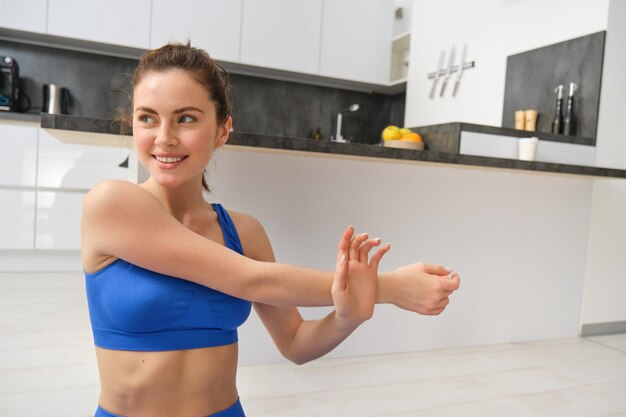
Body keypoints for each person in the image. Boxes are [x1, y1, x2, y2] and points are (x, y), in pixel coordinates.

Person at [81, 43, 460, 417]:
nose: (164, 137)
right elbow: (250, 279)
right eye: (147, 118)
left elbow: (295, 343)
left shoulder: (244, 232)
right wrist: (389, 288)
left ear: (222, 130)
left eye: (186, 118)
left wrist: (348, 315)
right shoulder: (111, 204)